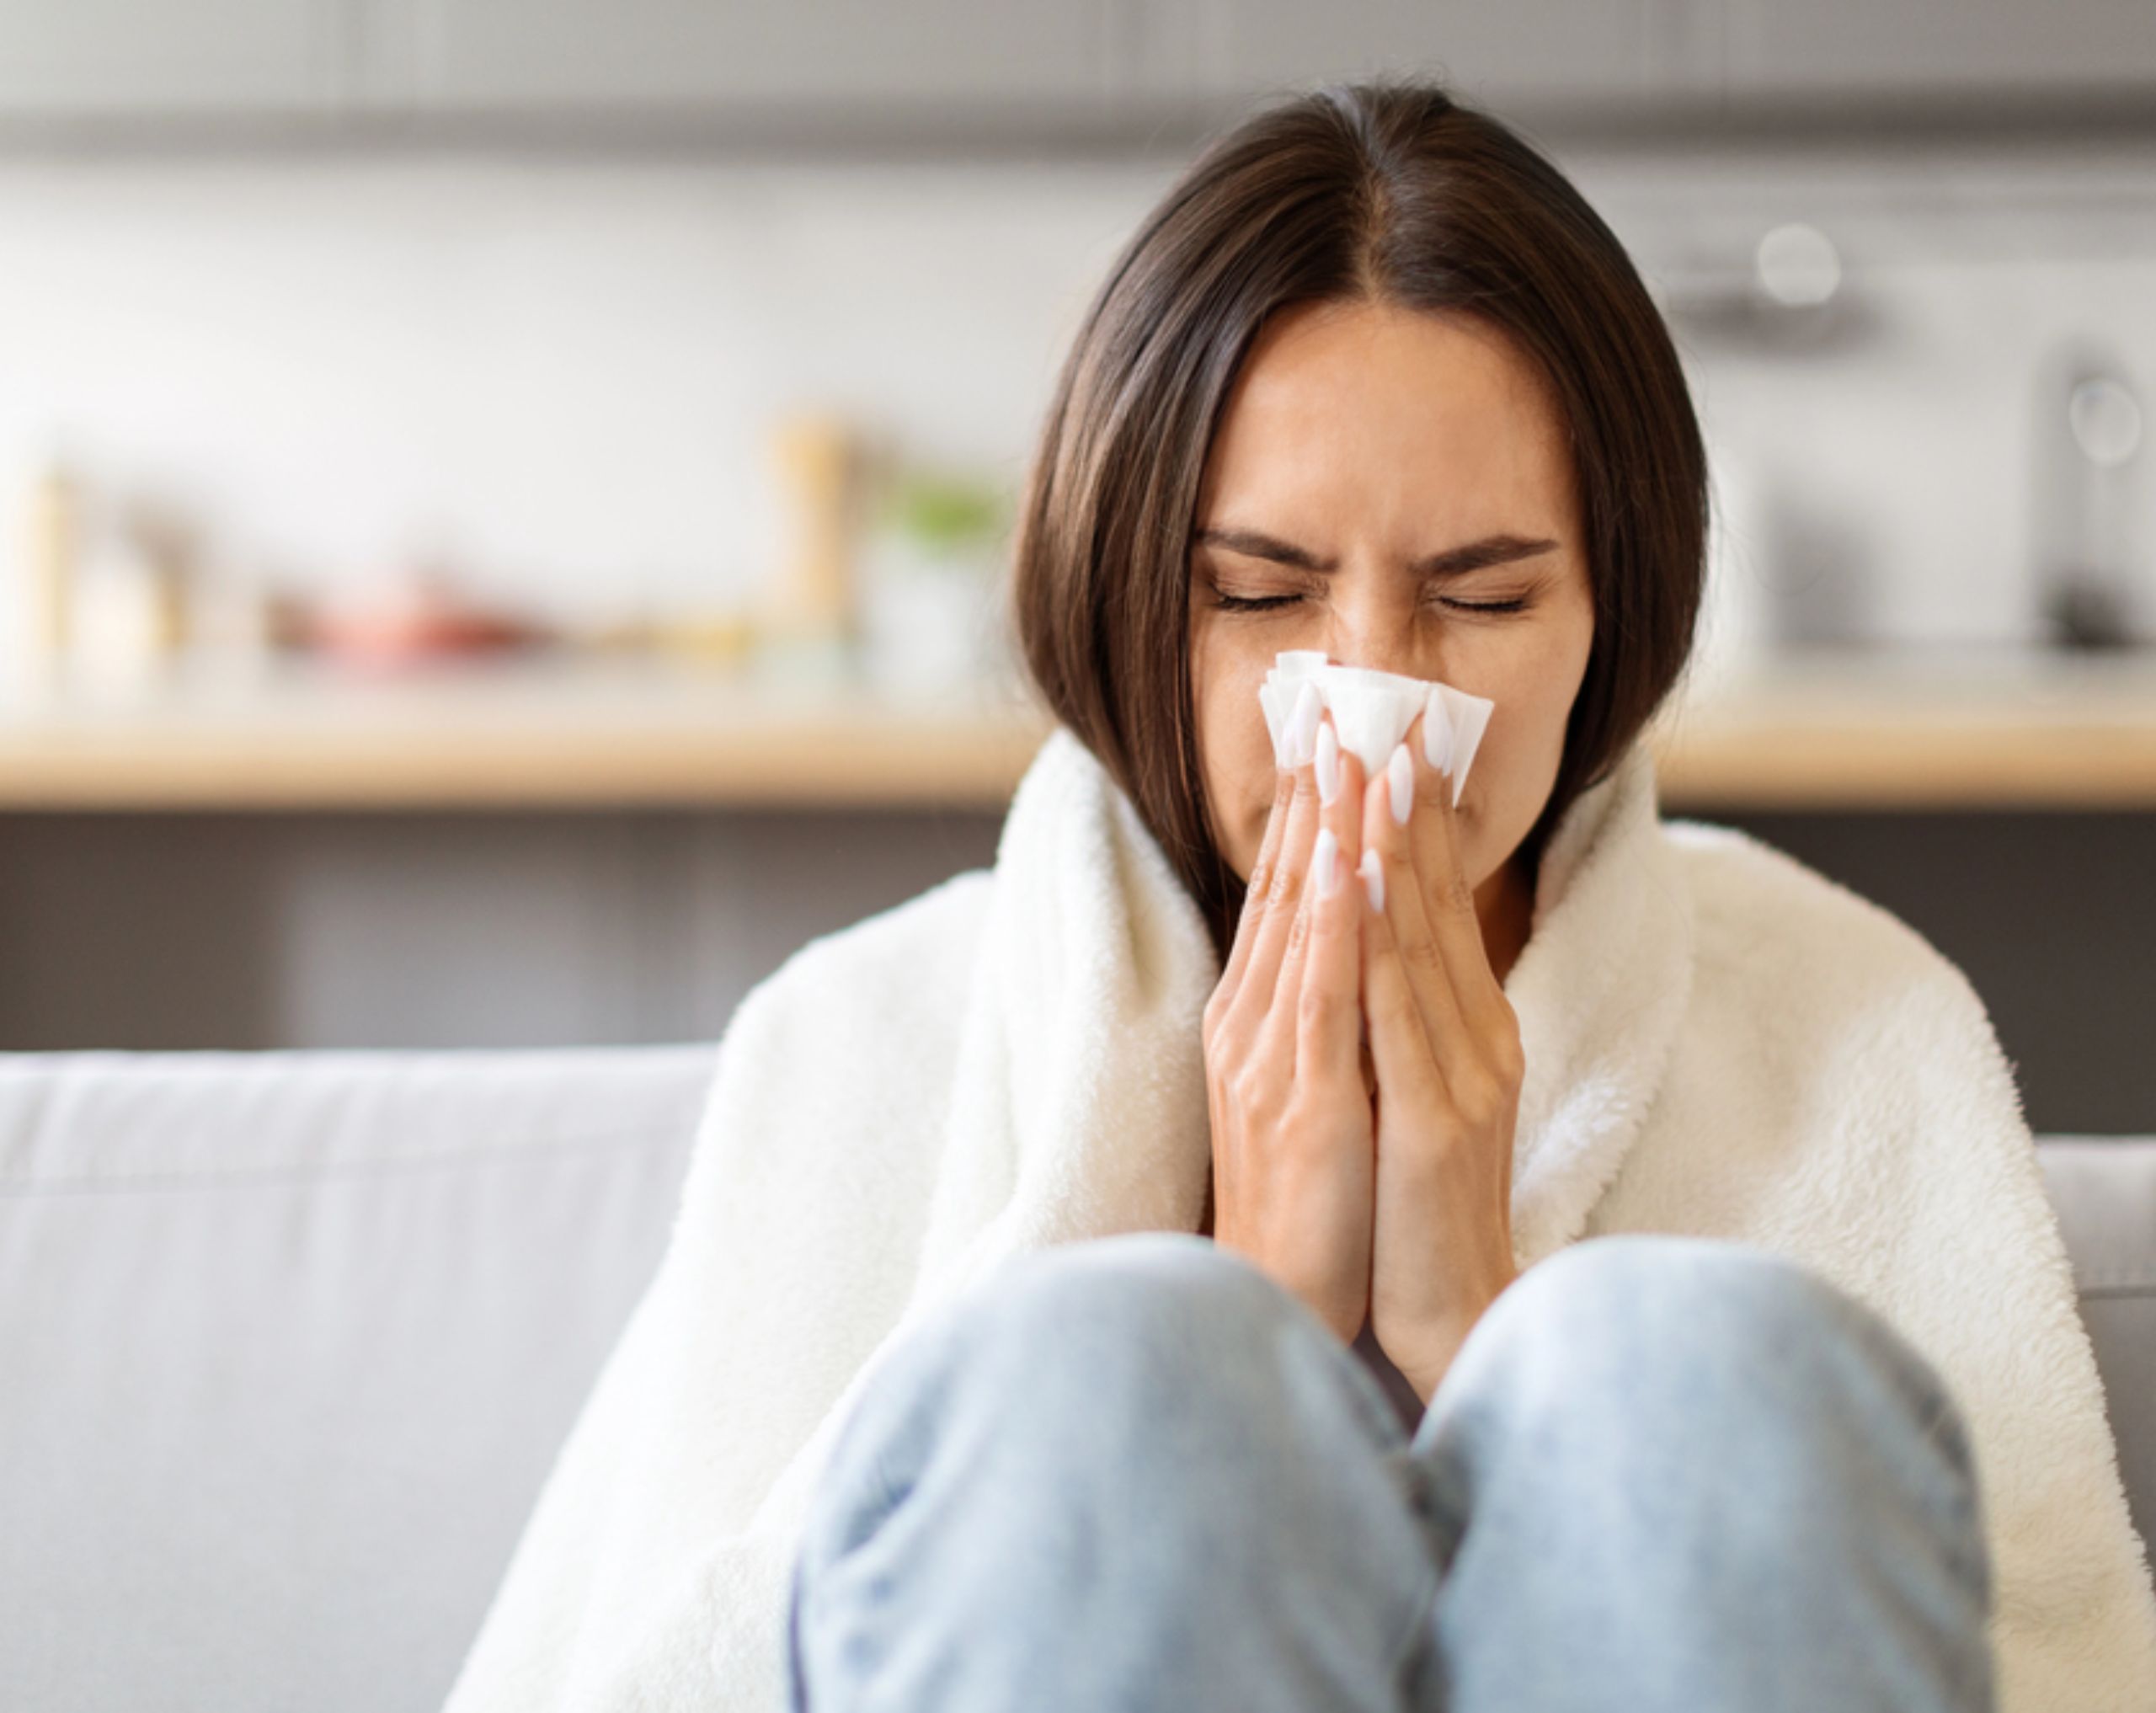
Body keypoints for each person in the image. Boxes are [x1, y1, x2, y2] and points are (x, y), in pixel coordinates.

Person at [442, 79, 2156, 1713]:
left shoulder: (1851, 1019)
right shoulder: (858, 1038)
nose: (1368, 705)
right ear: (1121, 592)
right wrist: (1239, 1335)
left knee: (1680, 1375)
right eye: (1261, 592)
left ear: (1608, 616)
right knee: (1113, 1381)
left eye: (1479, 600)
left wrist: (1481, 1331)